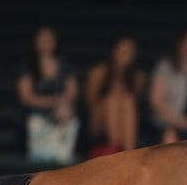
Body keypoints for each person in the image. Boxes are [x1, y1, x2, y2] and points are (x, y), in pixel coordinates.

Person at [17, 26, 80, 164]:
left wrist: (61, 103)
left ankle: (64, 155)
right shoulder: (29, 66)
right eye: (42, 40)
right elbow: (26, 97)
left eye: (49, 40)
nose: (46, 43)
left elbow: (73, 92)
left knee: (66, 111)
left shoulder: (64, 64)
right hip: (37, 115)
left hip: (62, 114)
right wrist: (52, 102)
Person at [84, 35, 146, 155]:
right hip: (99, 121)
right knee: (112, 100)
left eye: (129, 52)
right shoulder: (98, 72)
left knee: (127, 100)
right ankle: (116, 153)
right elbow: (90, 103)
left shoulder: (138, 77)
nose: (126, 55)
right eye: (122, 51)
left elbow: (136, 103)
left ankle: (128, 153)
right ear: (114, 51)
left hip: (124, 118)